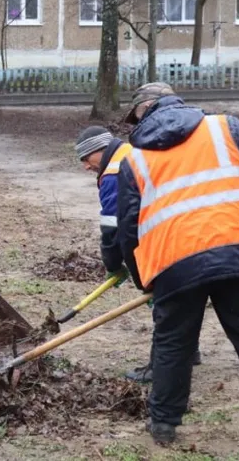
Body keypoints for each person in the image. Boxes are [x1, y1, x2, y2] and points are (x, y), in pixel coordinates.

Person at [115, 83, 239, 454]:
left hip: (173, 265)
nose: (132, 122)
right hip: (237, 254)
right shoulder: (223, 128)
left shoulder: (134, 160)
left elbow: (128, 230)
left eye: (134, 114)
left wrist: (145, 282)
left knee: (173, 344)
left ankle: (164, 424)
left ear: (146, 108)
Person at [74, 125, 201, 383]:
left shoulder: (113, 172)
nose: (86, 166)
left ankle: (160, 367)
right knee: (184, 297)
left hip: (162, 239)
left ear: (99, 150)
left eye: (86, 159)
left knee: (163, 301)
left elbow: (113, 227)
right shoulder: (135, 151)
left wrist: (113, 264)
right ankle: (189, 350)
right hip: (184, 230)